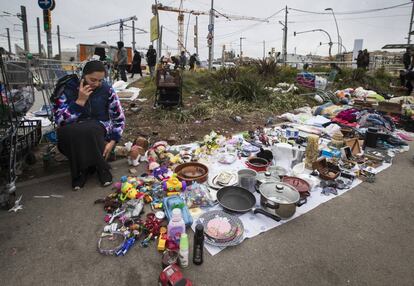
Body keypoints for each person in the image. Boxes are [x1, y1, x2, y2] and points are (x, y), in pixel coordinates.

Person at [53, 60, 125, 191]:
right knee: (68, 132)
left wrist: (113, 141)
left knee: (91, 129)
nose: (97, 84)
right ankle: (83, 169)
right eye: (93, 80)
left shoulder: (106, 90)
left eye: (100, 80)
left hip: (98, 127)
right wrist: (80, 101)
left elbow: (118, 118)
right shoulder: (68, 89)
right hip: (74, 129)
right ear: (83, 75)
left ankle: (99, 167)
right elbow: (59, 121)